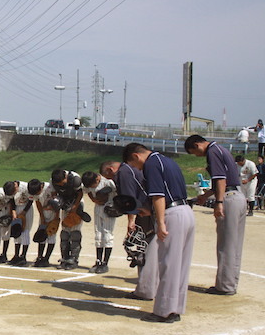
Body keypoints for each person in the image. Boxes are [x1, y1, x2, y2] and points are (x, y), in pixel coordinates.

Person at [124, 143, 195, 323]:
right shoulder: (167, 160)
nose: (137, 169)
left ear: (136, 156)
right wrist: (152, 212)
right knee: (181, 264)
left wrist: (161, 221)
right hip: (185, 210)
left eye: (134, 165)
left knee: (168, 263)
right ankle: (176, 308)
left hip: (172, 215)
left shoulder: (151, 163)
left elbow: (158, 195)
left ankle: (164, 311)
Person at [184, 135, 246, 296]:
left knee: (226, 244)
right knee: (235, 244)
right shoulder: (221, 149)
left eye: (194, 152)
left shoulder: (212, 151)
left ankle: (225, 286)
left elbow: (220, 179)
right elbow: (225, 181)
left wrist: (218, 202)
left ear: (197, 145)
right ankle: (230, 283)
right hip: (237, 196)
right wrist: (207, 195)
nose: (197, 156)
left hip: (229, 199)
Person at [100, 160, 159, 300]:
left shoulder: (123, 173)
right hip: (153, 209)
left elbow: (130, 200)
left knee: (142, 248)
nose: (112, 180)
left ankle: (145, 289)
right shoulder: (131, 169)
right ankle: (153, 287)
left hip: (145, 212)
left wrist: (131, 221)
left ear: (110, 169)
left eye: (109, 176)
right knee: (152, 247)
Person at [50, 169, 91, 270]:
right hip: (65, 204)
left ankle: (74, 259)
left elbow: (80, 193)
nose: (60, 185)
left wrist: (75, 207)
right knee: (64, 233)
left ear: (65, 177)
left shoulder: (75, 179)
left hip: (76, 204)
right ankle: (65, 258)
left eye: (62, 183)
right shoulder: (53, 180)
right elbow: (54, 193)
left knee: (75, 233)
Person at [81, 171, 117, 274]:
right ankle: (98, 260)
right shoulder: (89, 182)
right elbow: (86, 190)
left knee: (107, 234)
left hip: (109, 209)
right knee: (98, 234)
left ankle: (105, 263)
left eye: (93, 185)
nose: (92, 187)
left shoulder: (108, 183)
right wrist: (94, 199)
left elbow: (117, 192)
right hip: (98, 209)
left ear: (97, 179)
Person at [3, 180, 35, 266]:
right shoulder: (10, 189)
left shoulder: (25, 187)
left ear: (16, 187)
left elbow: (31, 200)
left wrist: (24, 212)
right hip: (17, 208)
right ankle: (16, 255)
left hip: (27, 209)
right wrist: (13, 211)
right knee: (16, 231)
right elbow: (12, 200)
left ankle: (23, 256)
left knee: (25, 231)